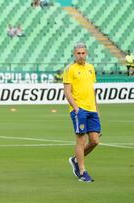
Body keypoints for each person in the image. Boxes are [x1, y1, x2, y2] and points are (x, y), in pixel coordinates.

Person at [63, 42, 101, 183]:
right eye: (78, 53)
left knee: (95, 140)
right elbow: (67, 91)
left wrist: (97, 109)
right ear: (74, 54)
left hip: (92, 109)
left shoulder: (91, 68)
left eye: (83, 53)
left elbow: (92, 90)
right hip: (79, 109)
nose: (80, 55)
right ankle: (82, 171)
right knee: (81, 139)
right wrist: (76, 108)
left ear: (87, 54)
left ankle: (75, 160)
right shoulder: (70, 69)